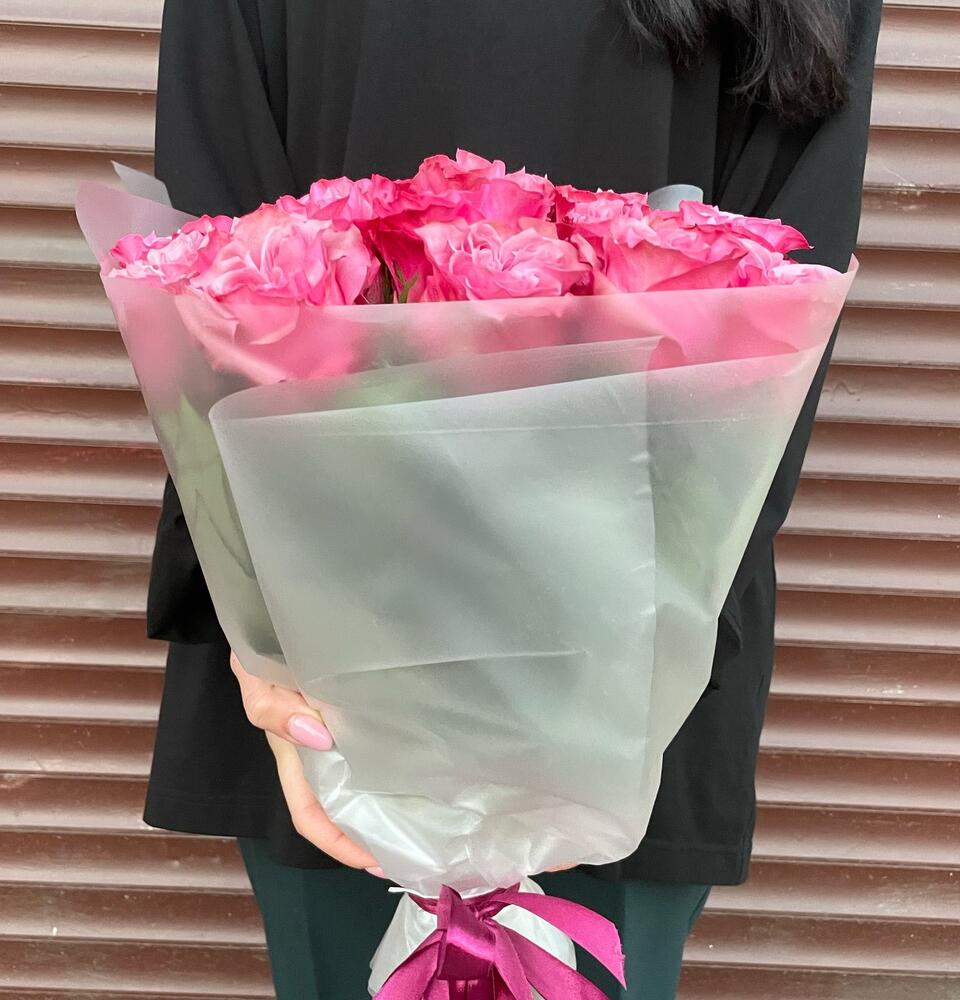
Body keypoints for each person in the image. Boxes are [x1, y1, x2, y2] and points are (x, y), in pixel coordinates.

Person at [145, 2, 882, 997]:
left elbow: (782, 279)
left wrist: (634, 645)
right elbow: (212, 255)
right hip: (315, 685)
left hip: (630, 685)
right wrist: (267, 637)